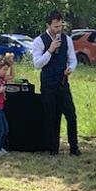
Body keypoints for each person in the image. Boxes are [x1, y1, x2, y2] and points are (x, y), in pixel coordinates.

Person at [32, 10, 80, 156]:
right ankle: (53, 148)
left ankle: (74, 148)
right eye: (55, 27)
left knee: (71, 115)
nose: (58, 30)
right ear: (48, 25)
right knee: (51, 117)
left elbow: (72, 59)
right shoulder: (39, 41)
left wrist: (70, 68)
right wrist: (50, 50)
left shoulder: (67, 40)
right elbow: (37, 64)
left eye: (60, 26)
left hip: (62, 83)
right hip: (48, 85)